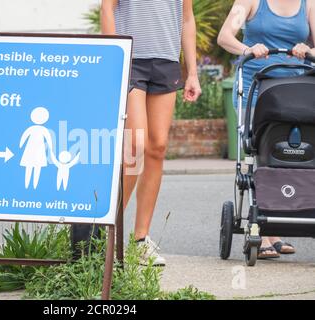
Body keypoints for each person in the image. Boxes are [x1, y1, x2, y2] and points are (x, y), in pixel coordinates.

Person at [101, 0, 201, 265]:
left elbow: (187, 19)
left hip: (166, 62)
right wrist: (115, 56)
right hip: (131, 58)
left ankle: (140, 240)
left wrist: (192, 72)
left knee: (157, 147)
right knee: (136, 144)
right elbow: (107, 8)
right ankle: (104, 231)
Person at [218, 0, 315, 259]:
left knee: (293, 154)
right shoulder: (251, 2)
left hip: (295, 91)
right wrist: (248, 48)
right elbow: (225, 36)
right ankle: (261, 228)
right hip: (256, 88)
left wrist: (308, 48)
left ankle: (275, 226)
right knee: (260, 150)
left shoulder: (309, 5)